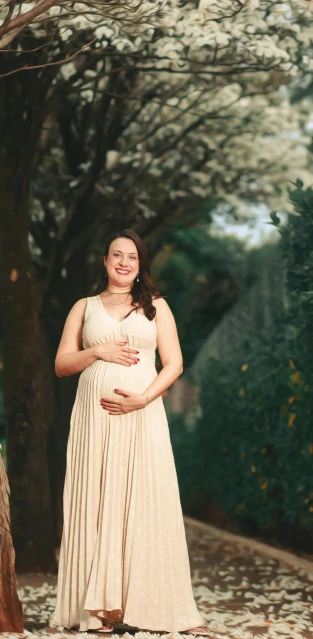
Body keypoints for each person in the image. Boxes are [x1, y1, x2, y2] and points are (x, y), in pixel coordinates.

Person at [49, 229, 210, 636]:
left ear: (140, 266)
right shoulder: (84, 307)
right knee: (98, 501)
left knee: (145, 498)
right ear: (105, 262)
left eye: (132, 257)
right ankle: (100, 612)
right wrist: (97, 352)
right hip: (95, 419)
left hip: (142, 415)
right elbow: (62, 364)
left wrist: (143, 399)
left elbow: (173, 363)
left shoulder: (156, 307)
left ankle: (151, 603)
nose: (123, 262)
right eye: (116, 255)